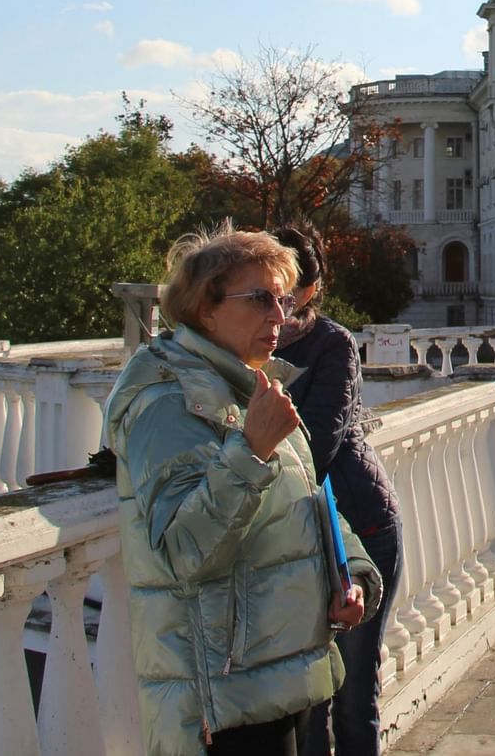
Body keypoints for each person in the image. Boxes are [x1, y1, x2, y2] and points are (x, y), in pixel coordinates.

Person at [105, 226, 382, 756]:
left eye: (282, 300)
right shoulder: (167, 398)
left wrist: (355, 579)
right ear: (205, 308)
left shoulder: (254, 384)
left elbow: (311, 503)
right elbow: (186, 551)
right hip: (223, 698)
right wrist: (251, 450)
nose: (279, 316)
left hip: (279, 676)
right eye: (259, 299)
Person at [272, 222, 402, 756]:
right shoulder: (238, 346)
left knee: (350, 689)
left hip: (359, 526)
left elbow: (316, 447)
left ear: (309, 290)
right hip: (296, 534)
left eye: (284, 284)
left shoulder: (332, 343)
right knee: (306, 698)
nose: (274, 297)